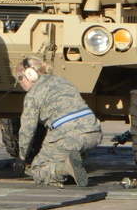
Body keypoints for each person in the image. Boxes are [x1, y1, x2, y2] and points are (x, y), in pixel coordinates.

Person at [14, 56, 102, 187]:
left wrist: (21, 159)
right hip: (94, 133)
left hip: (70, 137)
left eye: (20, 77)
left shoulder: (32, 96)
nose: (20, 82)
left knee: (38, 169)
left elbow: (27, 130)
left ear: (30, 74)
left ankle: (65, 169)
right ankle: (71, 165)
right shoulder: (61, 80)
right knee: (60, 148)